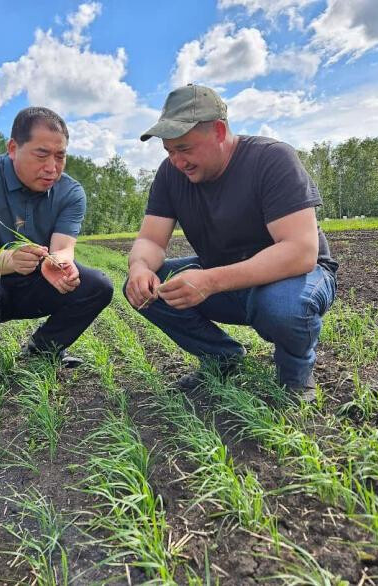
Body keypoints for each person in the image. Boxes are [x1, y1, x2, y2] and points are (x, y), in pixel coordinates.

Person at [124, 84, 337, 402]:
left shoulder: (272, 159)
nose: (177, 161)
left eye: (184, 148)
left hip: (294, 276)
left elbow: (300, 252)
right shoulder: (171, 175)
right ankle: (222, 357)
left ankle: (295, 377)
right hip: (222, 271)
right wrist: (140, 267)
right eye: (169, 151)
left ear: (220, 132)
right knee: (147, 289)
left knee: (282, 307)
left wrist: (210, 280)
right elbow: (151, 239)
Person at [0, 106, 113, 394]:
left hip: (39, 279)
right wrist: (11, 259)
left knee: (97, 285)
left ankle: (44, 348)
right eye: (41, 154)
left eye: (60, 156)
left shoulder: (71, 192)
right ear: (13, 148)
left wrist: (60, 265)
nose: (52, 167)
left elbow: (64, 249)